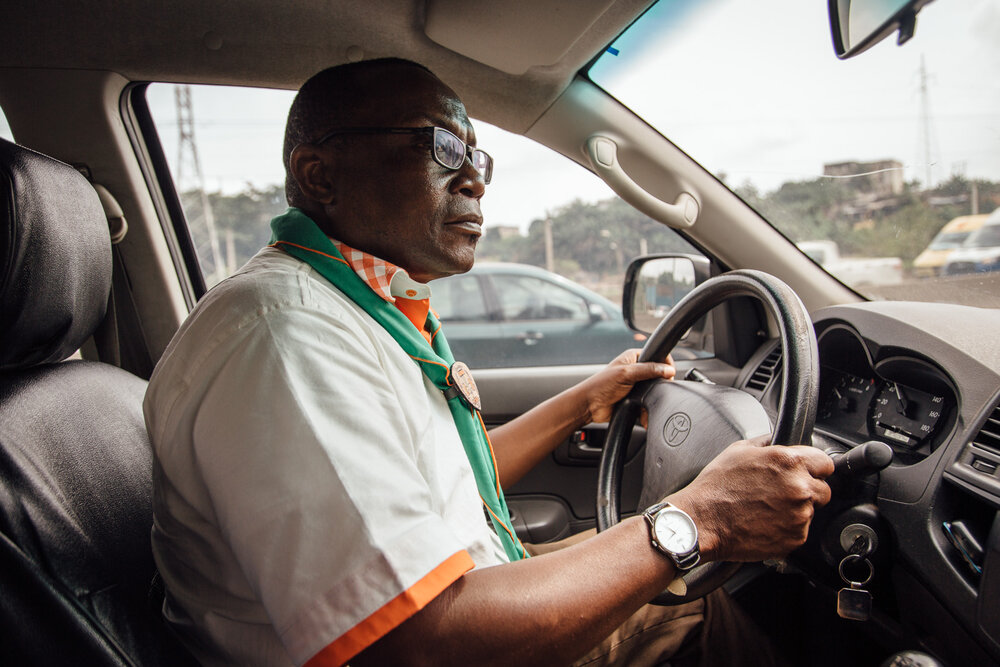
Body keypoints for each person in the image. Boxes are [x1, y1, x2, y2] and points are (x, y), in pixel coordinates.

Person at [144, 58, 834, 667]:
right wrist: (699, 517)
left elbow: (446, 479)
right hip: (448, 634)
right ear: (318, 174)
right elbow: (423, 643)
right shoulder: (285, 337)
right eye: (442, 145)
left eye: (478, 155)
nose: (475, 178)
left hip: (468, 585)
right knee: (691, 595)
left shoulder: (351, 305)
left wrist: (584, 400)